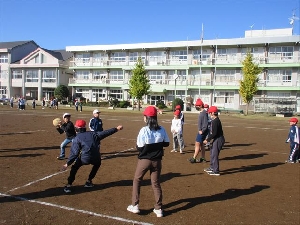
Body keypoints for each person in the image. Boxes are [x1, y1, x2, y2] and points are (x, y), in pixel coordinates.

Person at [127, 106, 170, 218]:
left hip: (145, 160)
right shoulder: (162, 129)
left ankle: (135, 205)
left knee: (137, 180)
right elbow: (166, 143)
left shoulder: (144, 130)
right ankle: (158, 208)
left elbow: (140, 147)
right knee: (155, 183)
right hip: (157, 161)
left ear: (147, 118)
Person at [61, 120, 123, 193]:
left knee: (74, 167)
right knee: (97, 164)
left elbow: (74, 153)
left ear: (76, 128)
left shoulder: (77, 138)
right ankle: (89, 181)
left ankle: (69, 185)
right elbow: (106, 133)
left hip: (85, 159)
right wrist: (116, 128)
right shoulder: (94, 134)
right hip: (96, 157)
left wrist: (67, 164)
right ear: (85, 127)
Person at [203, 106, 225, 176]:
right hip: (216, 139)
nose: (209, 114)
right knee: (212, 153)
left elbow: (214, 133)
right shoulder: (215, 120)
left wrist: (207, 139)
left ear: (213, 113)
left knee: (215, 155)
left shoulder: (215, 121)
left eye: (210, 113)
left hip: (219, 139)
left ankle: (216, 170)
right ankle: (212, 167)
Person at [188, 98, 208, 163]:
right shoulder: (202, 112)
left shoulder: (204, 113)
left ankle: (194, 158)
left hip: (202, 132)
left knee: (197, 143)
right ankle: (203, 158)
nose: (196, 107)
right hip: (201, 131)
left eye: (197, 106)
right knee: (201, 145)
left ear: (200, 106)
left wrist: (202, 130)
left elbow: (205, 123)